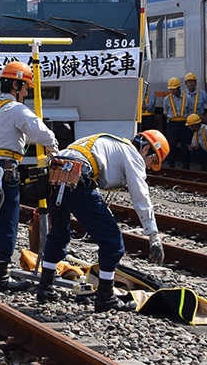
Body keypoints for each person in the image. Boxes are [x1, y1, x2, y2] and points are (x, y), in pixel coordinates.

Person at [35, 130, 168, 311]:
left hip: (55, 173)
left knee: (58, 233)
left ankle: (45, 288)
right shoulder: (133, 155)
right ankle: (105, 297)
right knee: (112, 241)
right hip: (76, 177)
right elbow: (141, 197)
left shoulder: (111, 142)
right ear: (145, 149)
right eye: (153, 162)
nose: (148, 168)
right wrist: (153, 237)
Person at [0, 61, 58, 293]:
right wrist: (53, 148)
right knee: (6, 221)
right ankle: (0, 278)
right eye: (25, 87)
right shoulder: (17, 110)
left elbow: (8, 135)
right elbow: (41, 133)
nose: (26, 92)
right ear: (16, 84)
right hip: (4, 173)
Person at [162, 77, 188, 168]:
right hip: (172, 124)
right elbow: (165, 112)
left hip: (184, 124)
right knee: (171, 145)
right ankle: (171, 164)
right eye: (171, 89)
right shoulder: (167, 99)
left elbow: (191, 110)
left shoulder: (187, 98)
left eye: (174, 89)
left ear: (178, 88)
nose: (172, 91)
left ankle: (186, 164)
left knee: (185, 145)